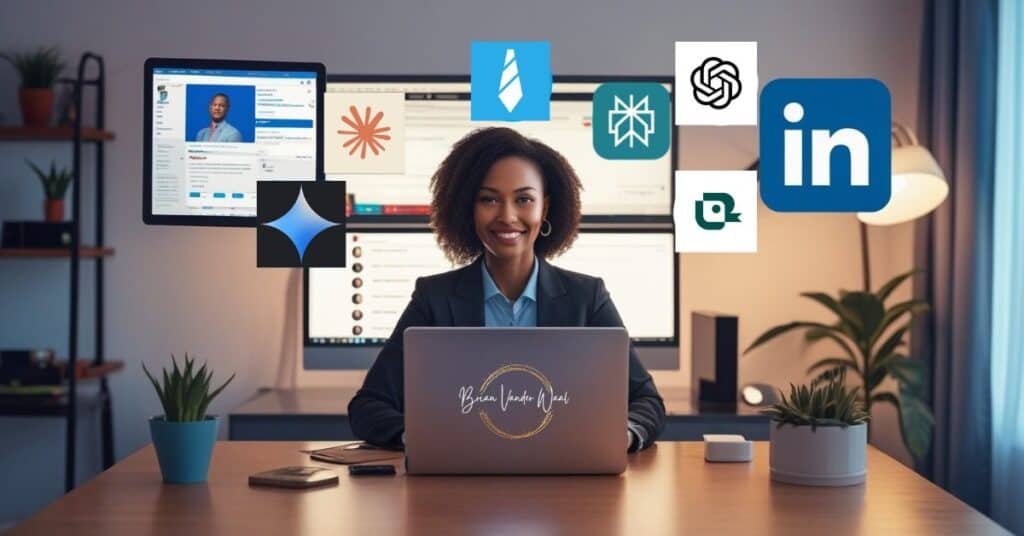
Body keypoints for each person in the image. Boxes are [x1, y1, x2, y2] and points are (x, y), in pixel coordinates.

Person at [348, 127, 666, 452]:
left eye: (524, 199)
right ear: (467, 208)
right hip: (462, 485)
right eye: (489, 199)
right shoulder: (434, 299)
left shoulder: (588, 298)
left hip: (565, 482)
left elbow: (647, 402)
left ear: (545, 209)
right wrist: (424, 438)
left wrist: (619, 436)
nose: (507, 216)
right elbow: (368, 407)